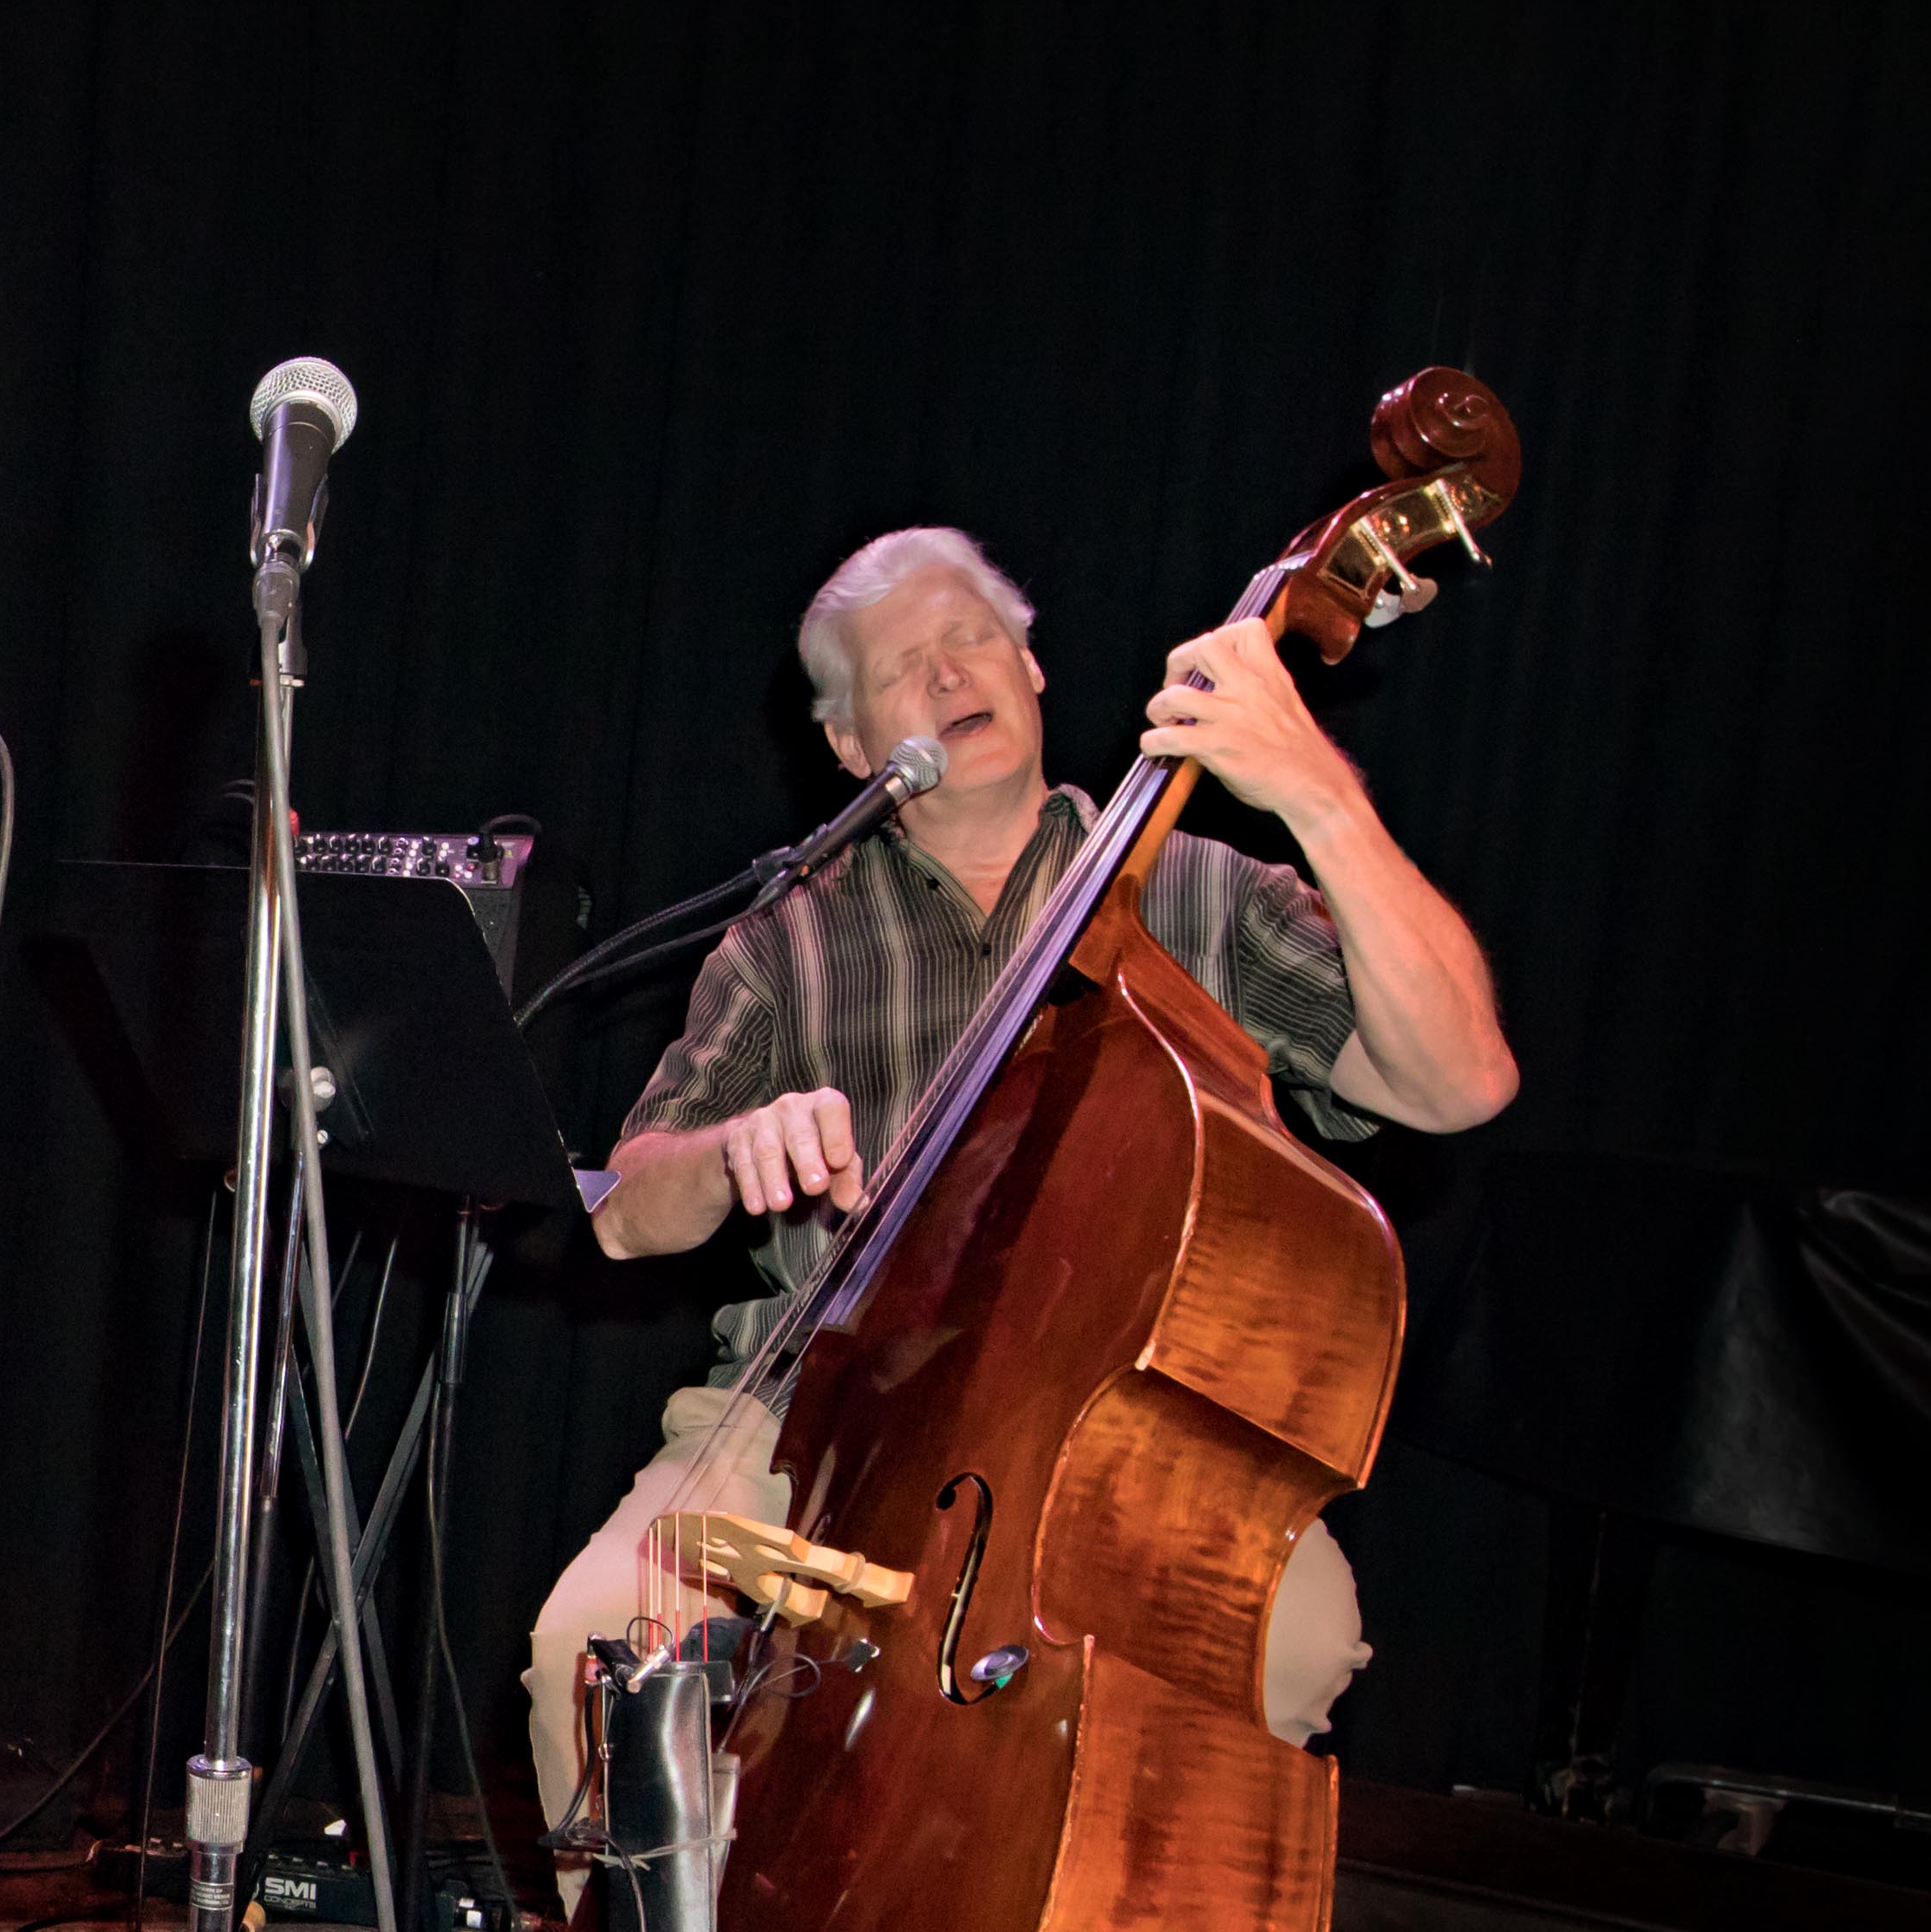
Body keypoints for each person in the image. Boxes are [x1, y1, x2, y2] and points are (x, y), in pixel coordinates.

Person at [526, 525, 1520, 1830]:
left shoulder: (1198, 891)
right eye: (901, 668)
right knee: (596, 1650)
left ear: (1032, 666)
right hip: (812, 1420)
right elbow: (627, 1217)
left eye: (972, 639)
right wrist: (728, 1150)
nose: (949, 675)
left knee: (1295, 1639)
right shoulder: (789, 938)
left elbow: (1459, 1082)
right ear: (850, 744)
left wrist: (1318, 797)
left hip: (1114, 1434)